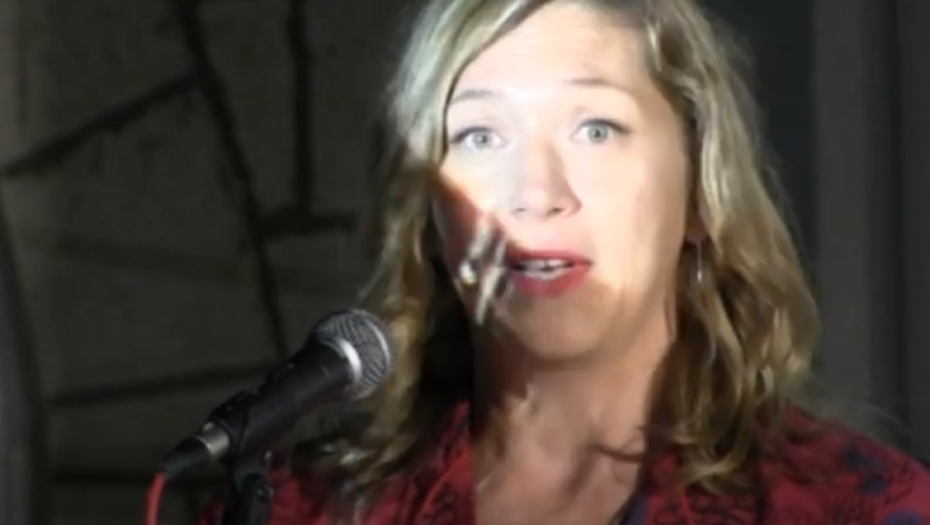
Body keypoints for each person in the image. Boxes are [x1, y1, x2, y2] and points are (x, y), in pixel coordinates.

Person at [200, 0, 930, 523]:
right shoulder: (301, 508)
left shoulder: (857, 507)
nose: (536, 194)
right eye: (481, 136)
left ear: (701, 192)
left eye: (596, 129)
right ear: (429, 211)